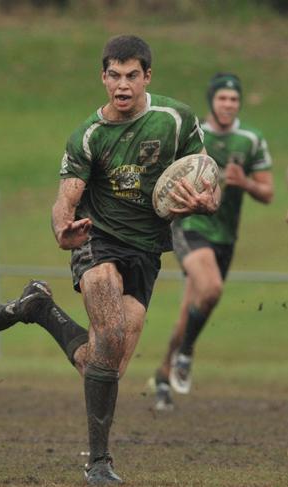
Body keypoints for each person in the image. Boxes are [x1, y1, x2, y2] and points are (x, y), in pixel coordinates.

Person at [0, 35, 219, 485]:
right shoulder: (88, 136)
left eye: (132, 75)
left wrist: (208, 202)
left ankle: (39, 308)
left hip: (147, 251)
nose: (122, 85)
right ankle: (98, 462)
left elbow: (205, 174)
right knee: (110, 334)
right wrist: (63, 230)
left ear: (147, 76)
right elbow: (64, 199)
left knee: (106, 362)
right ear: (103, 76)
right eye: (114, 75)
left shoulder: (176, 119)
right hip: (97, 241)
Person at [151, 73, 274, 411]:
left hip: (225, 236)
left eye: (234, 100)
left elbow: (268, 192)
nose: (228, 105)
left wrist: (245, 183)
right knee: (212, 288)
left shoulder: (251, 139)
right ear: (212, 101)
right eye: (222, 99)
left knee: (193, 308)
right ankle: (187, 355)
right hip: (190, 226)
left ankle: (164, 373)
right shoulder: (194, 134)